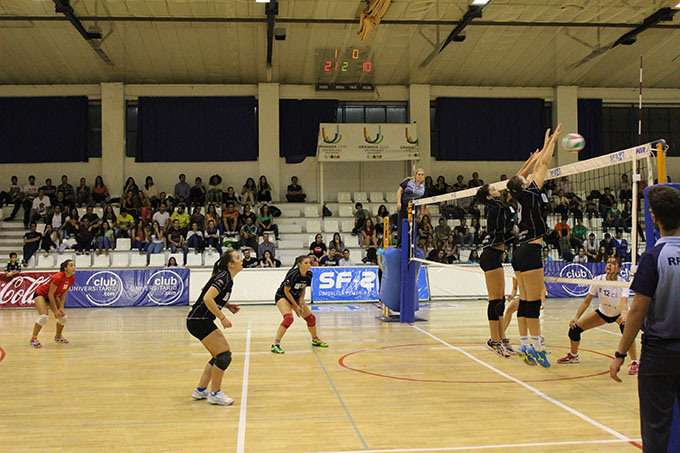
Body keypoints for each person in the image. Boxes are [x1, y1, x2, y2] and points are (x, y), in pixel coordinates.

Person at [608, 185, 680, 449]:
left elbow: (637, 312)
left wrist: (619, 354)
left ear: (653, 218)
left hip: (660, 353)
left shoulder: (652, 257)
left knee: (656, 426)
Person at [506, 123, 563, 368]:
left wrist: (536, 156)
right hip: (530, 250)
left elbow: (529, 171)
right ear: (524, 184)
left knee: (526, 301)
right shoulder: (529, 193)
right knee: (533, 302)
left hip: (519, 252)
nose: (528, 176)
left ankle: (526, 345)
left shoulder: (518, 195)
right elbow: (544, 165)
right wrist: (551, 141)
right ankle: (537, 347)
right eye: (525, 178)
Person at [557, 257, 638, 373]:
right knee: (574, 329)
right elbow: (586, 301)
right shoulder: (598, 279)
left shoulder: (622, 283)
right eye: (608, 262)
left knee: (627, 331)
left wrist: (624, 315)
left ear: (619, 268)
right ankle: (573, 355)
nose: (609, 265)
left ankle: (635, 362)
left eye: (613, 263)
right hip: (603, 313)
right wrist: (576, 318)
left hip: (619, 314)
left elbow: (624, 302)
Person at [186, 250, 242, 406]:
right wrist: (222, 317)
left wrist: (227, 305)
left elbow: (207, 292)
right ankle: (215, 394)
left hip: (198, 320)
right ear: (231, 264)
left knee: (218, 356)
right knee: (224, 355)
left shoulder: (226, 278)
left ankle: (201, 390)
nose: (241, 260)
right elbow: (207, 297)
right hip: (199, 320)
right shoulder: (224, 277)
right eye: (238, 258)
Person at [476, 182, 518, 357]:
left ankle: (502, 338)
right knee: (495, 300)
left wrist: (530, 163)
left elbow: (514, 184)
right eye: (493, 189)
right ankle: (494, 340)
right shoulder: (494, 205)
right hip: (490, 255)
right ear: (488, 196)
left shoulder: (500, 205)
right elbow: (513, 186)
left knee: (500, 299)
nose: (497, 190)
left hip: (495, 255)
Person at [270, 255, 328, 354]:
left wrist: (301, 302)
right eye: (306, 263)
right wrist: (296, 306)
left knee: (311, 318)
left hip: (296, 297)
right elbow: (287, 292)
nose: (309, 265)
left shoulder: (309, 274)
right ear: (299, 264)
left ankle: (315, 339)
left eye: (309, 263)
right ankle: (275, 344)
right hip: (283, 296)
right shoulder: (293, 274)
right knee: (288, 318)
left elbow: (303, 289)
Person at [30, 259, 76, 348]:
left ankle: (58, 336)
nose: (74, 268)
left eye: (74, 265)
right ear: (65, 268)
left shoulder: (72, 279)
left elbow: (63, 294)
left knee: (63, 317)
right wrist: (55, 311)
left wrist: (61, 308)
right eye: (71, 266)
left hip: (53, 296)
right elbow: (50, 294)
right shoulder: (58, 277)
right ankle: (33, 338)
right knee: (44, 317)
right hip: (41, 294)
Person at [396, 169, 425, 245]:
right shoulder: (409, 181)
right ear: (415, 175)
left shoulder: (423, 187)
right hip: (404, 205)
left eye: (422, 174)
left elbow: (423, 200)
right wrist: (399, 203)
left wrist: (421, 213)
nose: (420, 176)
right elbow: (399, 190)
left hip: (413, 207)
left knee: (412, 226)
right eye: (419, 174)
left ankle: (411, 244)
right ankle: (400, 243)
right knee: (402, 224)